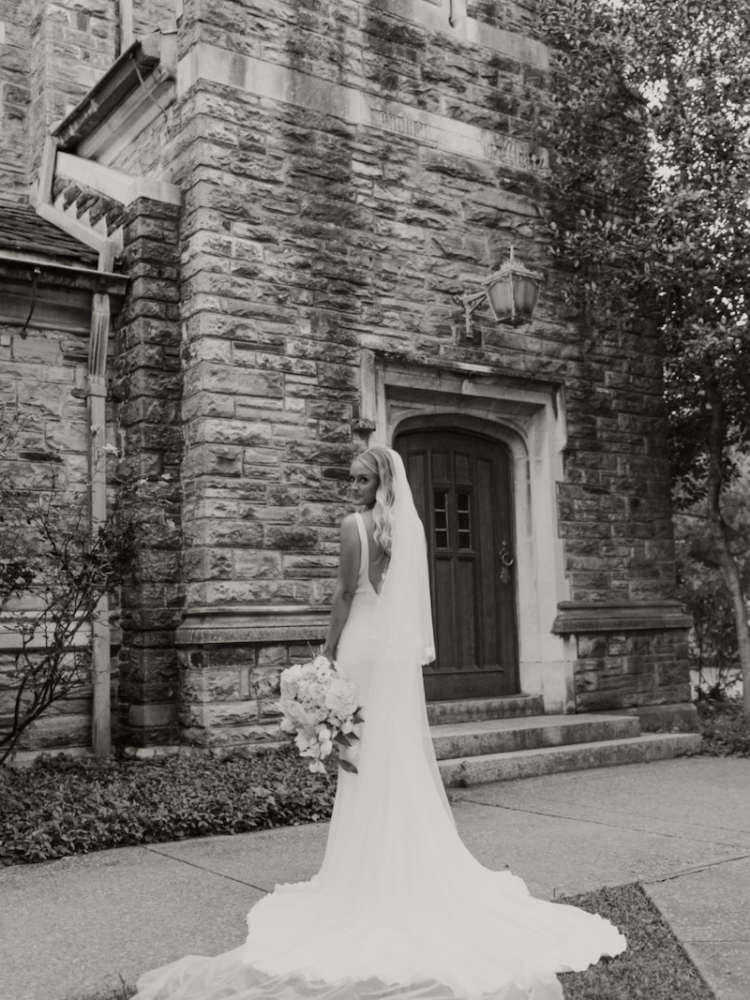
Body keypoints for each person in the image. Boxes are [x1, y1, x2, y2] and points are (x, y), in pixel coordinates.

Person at [132, 446, 626, 1000]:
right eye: (351, 480)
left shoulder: (353, 527)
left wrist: (325, 653)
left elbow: (345, 593)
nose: (353, 488)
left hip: (363, 648)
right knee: (390, 751)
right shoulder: (409, 528)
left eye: (362, 480)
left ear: (381, 481)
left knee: (363, 756)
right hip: (392, 655)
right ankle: (398, 858)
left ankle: (367, 872)